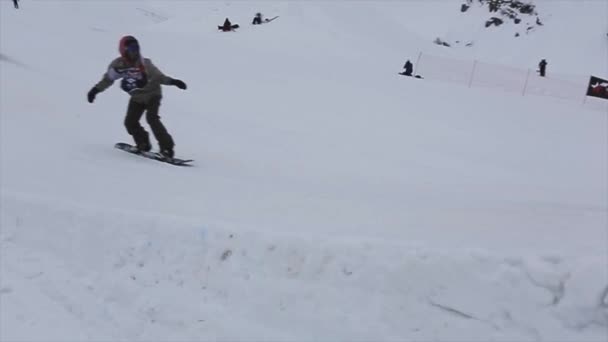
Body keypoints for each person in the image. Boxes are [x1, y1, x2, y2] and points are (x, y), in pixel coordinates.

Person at [87, 36, 187, 159]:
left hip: (153, 94)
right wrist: (95, 90)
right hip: (137, 97)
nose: (135, 52)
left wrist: (173, 82)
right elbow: (108, 79)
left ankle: (167, 149)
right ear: (124, 51)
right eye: (131, 49)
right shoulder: (119, 65)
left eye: (137, 48)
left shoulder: (145, 64)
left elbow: (159, 77)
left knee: (152, 118)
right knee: (130, 122)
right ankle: (143, 143)